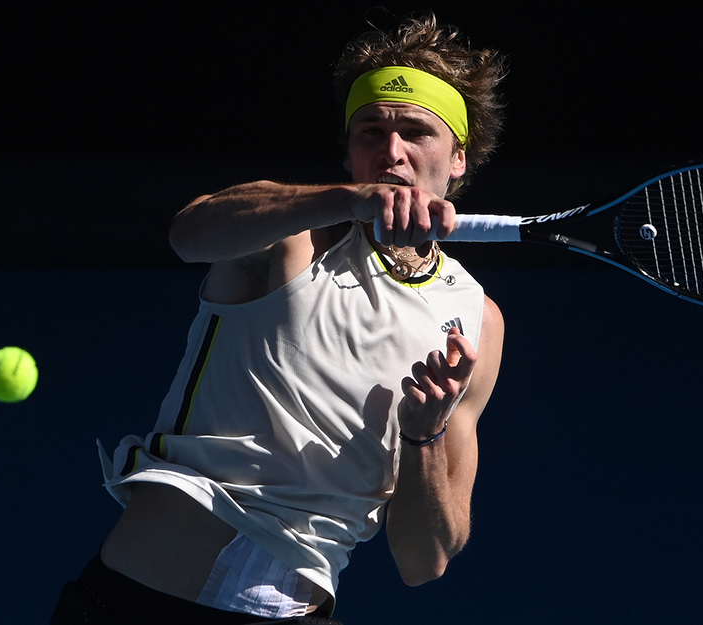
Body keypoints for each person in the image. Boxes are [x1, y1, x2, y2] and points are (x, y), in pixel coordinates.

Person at [52, 13, 508, 625]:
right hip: (137, 603)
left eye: (415, 132)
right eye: (370, 130)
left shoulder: (475, 318)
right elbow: (190, 233)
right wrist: (345, 200)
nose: (390, 150)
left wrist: (423, 436)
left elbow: (423, 560)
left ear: (457, 157)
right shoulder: (291, 234)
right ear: (349, 148)